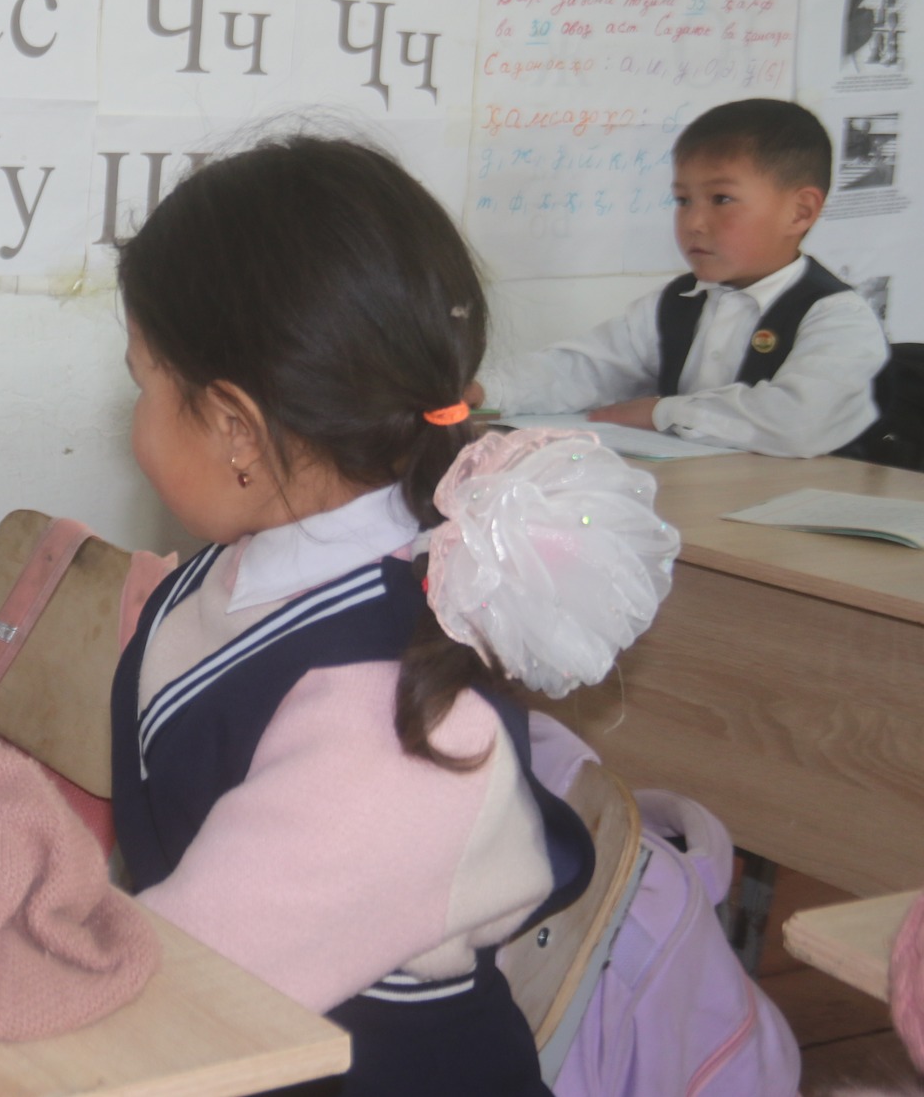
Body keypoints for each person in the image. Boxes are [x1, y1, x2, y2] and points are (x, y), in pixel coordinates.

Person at [110, 134, 680, 1095]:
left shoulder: (396, 727)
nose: (132, 419)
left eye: (142, 382)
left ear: (236, 427)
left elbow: (173, 990)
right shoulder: (238, 570)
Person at [475, 99, 888, 457]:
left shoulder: (837, 317)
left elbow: (800, 423)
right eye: (683, 200)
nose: (693, 222)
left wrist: (663, 412)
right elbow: (587, 368)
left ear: (800, 212)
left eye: (721, 199)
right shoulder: (678, 302)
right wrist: (486, 390)